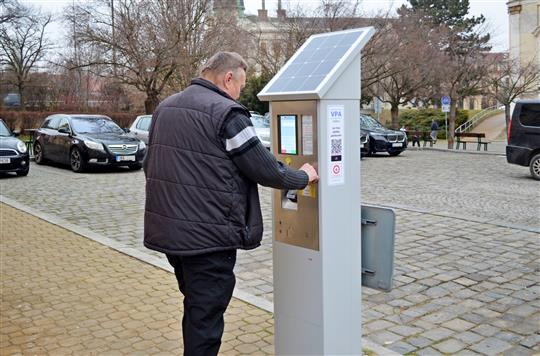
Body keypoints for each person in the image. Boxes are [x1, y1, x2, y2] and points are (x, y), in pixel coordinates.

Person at [143, 51, 318, 356]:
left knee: (196, 309)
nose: (239, 92)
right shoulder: (228, 113)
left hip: (173, 236)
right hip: (210, 240)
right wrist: (301, 178)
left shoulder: (165, 108)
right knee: (206, 320)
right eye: (240, 84)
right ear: (228, 78)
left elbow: (151, 165)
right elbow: (264, 168)